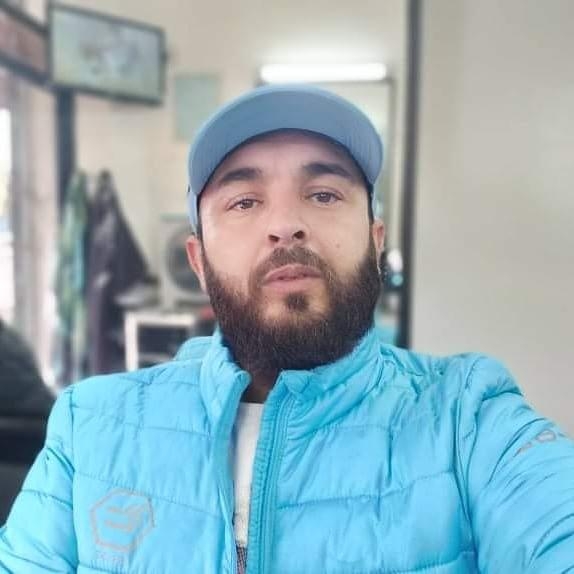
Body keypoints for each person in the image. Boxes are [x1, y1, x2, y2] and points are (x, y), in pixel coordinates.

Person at [0, 85, 572, 574]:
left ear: (374, 243)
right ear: (198, 262)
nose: (285, 225)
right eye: (244, 201)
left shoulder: (468, 417)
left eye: (323, 194)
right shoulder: (90, 426)